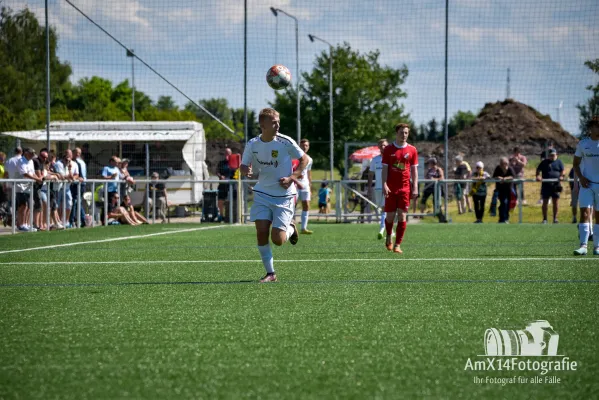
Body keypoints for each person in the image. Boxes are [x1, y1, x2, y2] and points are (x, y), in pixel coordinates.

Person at [240, 107, 307, 283]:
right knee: (261, 232)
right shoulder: (253, 144)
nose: (278, 124)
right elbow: (243, 165)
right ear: (263, 125)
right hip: (262, 193)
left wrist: (292, 177)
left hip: (284, 196)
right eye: (274, 122)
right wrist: (245, 169)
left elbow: (305, 160)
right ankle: (271, 273)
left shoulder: (285, 142)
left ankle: (291, 228)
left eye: (278, 121)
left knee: (278, 240)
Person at [382, 123, 418, 254]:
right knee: (390, 217)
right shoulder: (388, 150)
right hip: (391, 188)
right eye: (402, 132)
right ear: (396, 133)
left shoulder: (412, 150)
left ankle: (397, 244)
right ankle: (388, 236)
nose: (404, 135)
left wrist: (415, 187)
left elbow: (414, 170)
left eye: (406, 133)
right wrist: (384, 184)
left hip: (405, 188)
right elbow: (385, 169)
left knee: (402, 216)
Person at [572, 117, 599, 256]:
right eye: (597, 126)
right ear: (591, 128)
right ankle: (583, 246)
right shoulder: (583, 144)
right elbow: (575, 163)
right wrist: (581, 178)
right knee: (584, 214)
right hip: (586, 185)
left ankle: (597, 247)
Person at [16, 148, 43, 232]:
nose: (32, 155)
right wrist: (37, 179)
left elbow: (32, 172)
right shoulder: (21, 161)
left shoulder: (31, 161)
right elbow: (25, 174)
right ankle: (21, 225)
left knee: (29, 205)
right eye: (31, 153)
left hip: (28, 186)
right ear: (26, 153)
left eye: (33, 154)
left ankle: (26, 224)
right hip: (20, 187)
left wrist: (38, 178)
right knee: (23, 206)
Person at [536, 148, 565, 224]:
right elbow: (538, 171)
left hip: (556, 185)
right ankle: (545, 219)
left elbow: (562, 171)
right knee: (545, 202)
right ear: (548, 155)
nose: (552, 157)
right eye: (550, 155)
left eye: (553, 155)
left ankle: (555, 219)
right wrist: (538, 176)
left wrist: (562, 176)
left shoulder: (559, 162)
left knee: (556, 202)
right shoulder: (544, 162)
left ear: (556, 155)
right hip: (546, 185)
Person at [368, 139, 389, 239]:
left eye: (385, 145)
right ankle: (391, 231)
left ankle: (381, 229)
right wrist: (369, 187)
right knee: (382, 209)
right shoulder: (375, 160)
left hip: (388, 188)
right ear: (378, 147)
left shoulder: (391, 159)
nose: (383, 147)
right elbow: (371, 174)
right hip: (377, 188)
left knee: (386, 209)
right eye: (381, 145)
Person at [296, 139, 314, 234]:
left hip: (305, 184)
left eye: (306, 145)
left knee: (306, 205)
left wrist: (310, 187)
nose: (304, 147)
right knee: (292, 205)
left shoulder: (310, 159)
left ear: (308, 147)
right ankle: (289, 225)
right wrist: (295, 175)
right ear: (299, 146)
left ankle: (303, 228)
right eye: (303, 145)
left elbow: (308, 174)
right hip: (294, 184)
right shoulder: (294, 157)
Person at [492, 157, 515, 223]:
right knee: (504, 202)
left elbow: (513, 176)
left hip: (509, 189)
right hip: (500, 189)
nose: (503, 165)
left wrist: (505, 179)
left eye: (505, 163)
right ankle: (502, 218)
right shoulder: (498, 168)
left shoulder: (510, 169)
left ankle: (505, 218)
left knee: (507, 204)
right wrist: (498, 177)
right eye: (502, 163)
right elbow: (494, 176)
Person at [70, 147, 87, 227]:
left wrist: (79, 178)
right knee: (76, 202)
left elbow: (81, 175)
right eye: (76, 152)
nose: (78, 154)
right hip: (75, 184)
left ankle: (74, 220)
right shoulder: (75, 162)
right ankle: (80, 220)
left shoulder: (79, 162)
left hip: (79, 184)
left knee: (76, 202)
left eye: (79, 153)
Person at [217, 148, 233, 222]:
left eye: (228, 153)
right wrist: (221, 176)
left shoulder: (233, 163)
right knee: (220, 200)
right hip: (222, 184)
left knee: (230, 200)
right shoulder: (221, 163)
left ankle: (230, 216)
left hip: (231, 185)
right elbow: (217, 171)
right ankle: (221, 215)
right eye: (226, 153)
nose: (227, 154)